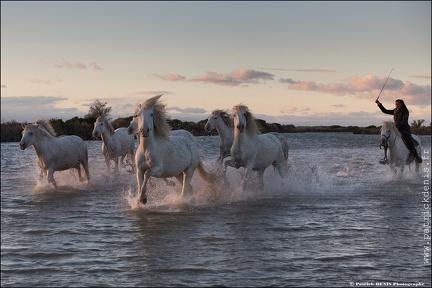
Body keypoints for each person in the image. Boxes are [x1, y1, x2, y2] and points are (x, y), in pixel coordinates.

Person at [375, 99, 422, 163]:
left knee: (409, 140)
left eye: (398, 104)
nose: (396, 105)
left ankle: (416, 157)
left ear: (401, 104)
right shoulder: (395, 111)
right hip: (396, 130)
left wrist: (395, 124)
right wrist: (379, 104)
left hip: (404, 130)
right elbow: (385, 111)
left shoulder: (405, 111)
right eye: (396, 104)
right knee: (386, 140)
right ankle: (386, 158)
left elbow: (404, 122)